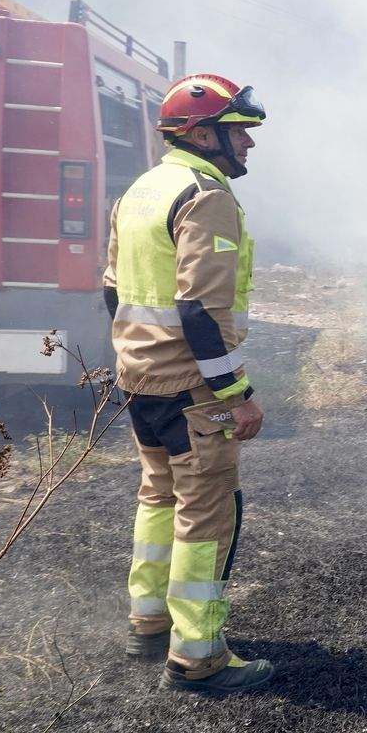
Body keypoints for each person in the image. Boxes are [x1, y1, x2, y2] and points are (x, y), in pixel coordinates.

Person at [104, 73, 272, 694]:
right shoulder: (207, 195)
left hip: (141, 381)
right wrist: (237, 395)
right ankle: (197, 655)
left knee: (158, 496)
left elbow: (111, 291)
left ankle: (147, 621)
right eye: (239, 134)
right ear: (202, 135)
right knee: (206, 514)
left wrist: (138, 360)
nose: (249, 147)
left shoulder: (140, 190)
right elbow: (200, 312)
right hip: (194, 391)